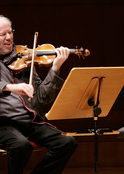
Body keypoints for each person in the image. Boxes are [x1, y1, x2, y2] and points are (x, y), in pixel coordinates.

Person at [0, 15, 78, 174]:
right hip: (4, 123)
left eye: (11, 32)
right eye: (3, 34)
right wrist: (9, 87)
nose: (9, 37)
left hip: (29, 121)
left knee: (67, 142)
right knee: (21, 145)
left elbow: (42, 97)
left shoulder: (24, 58)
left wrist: (55, 69)